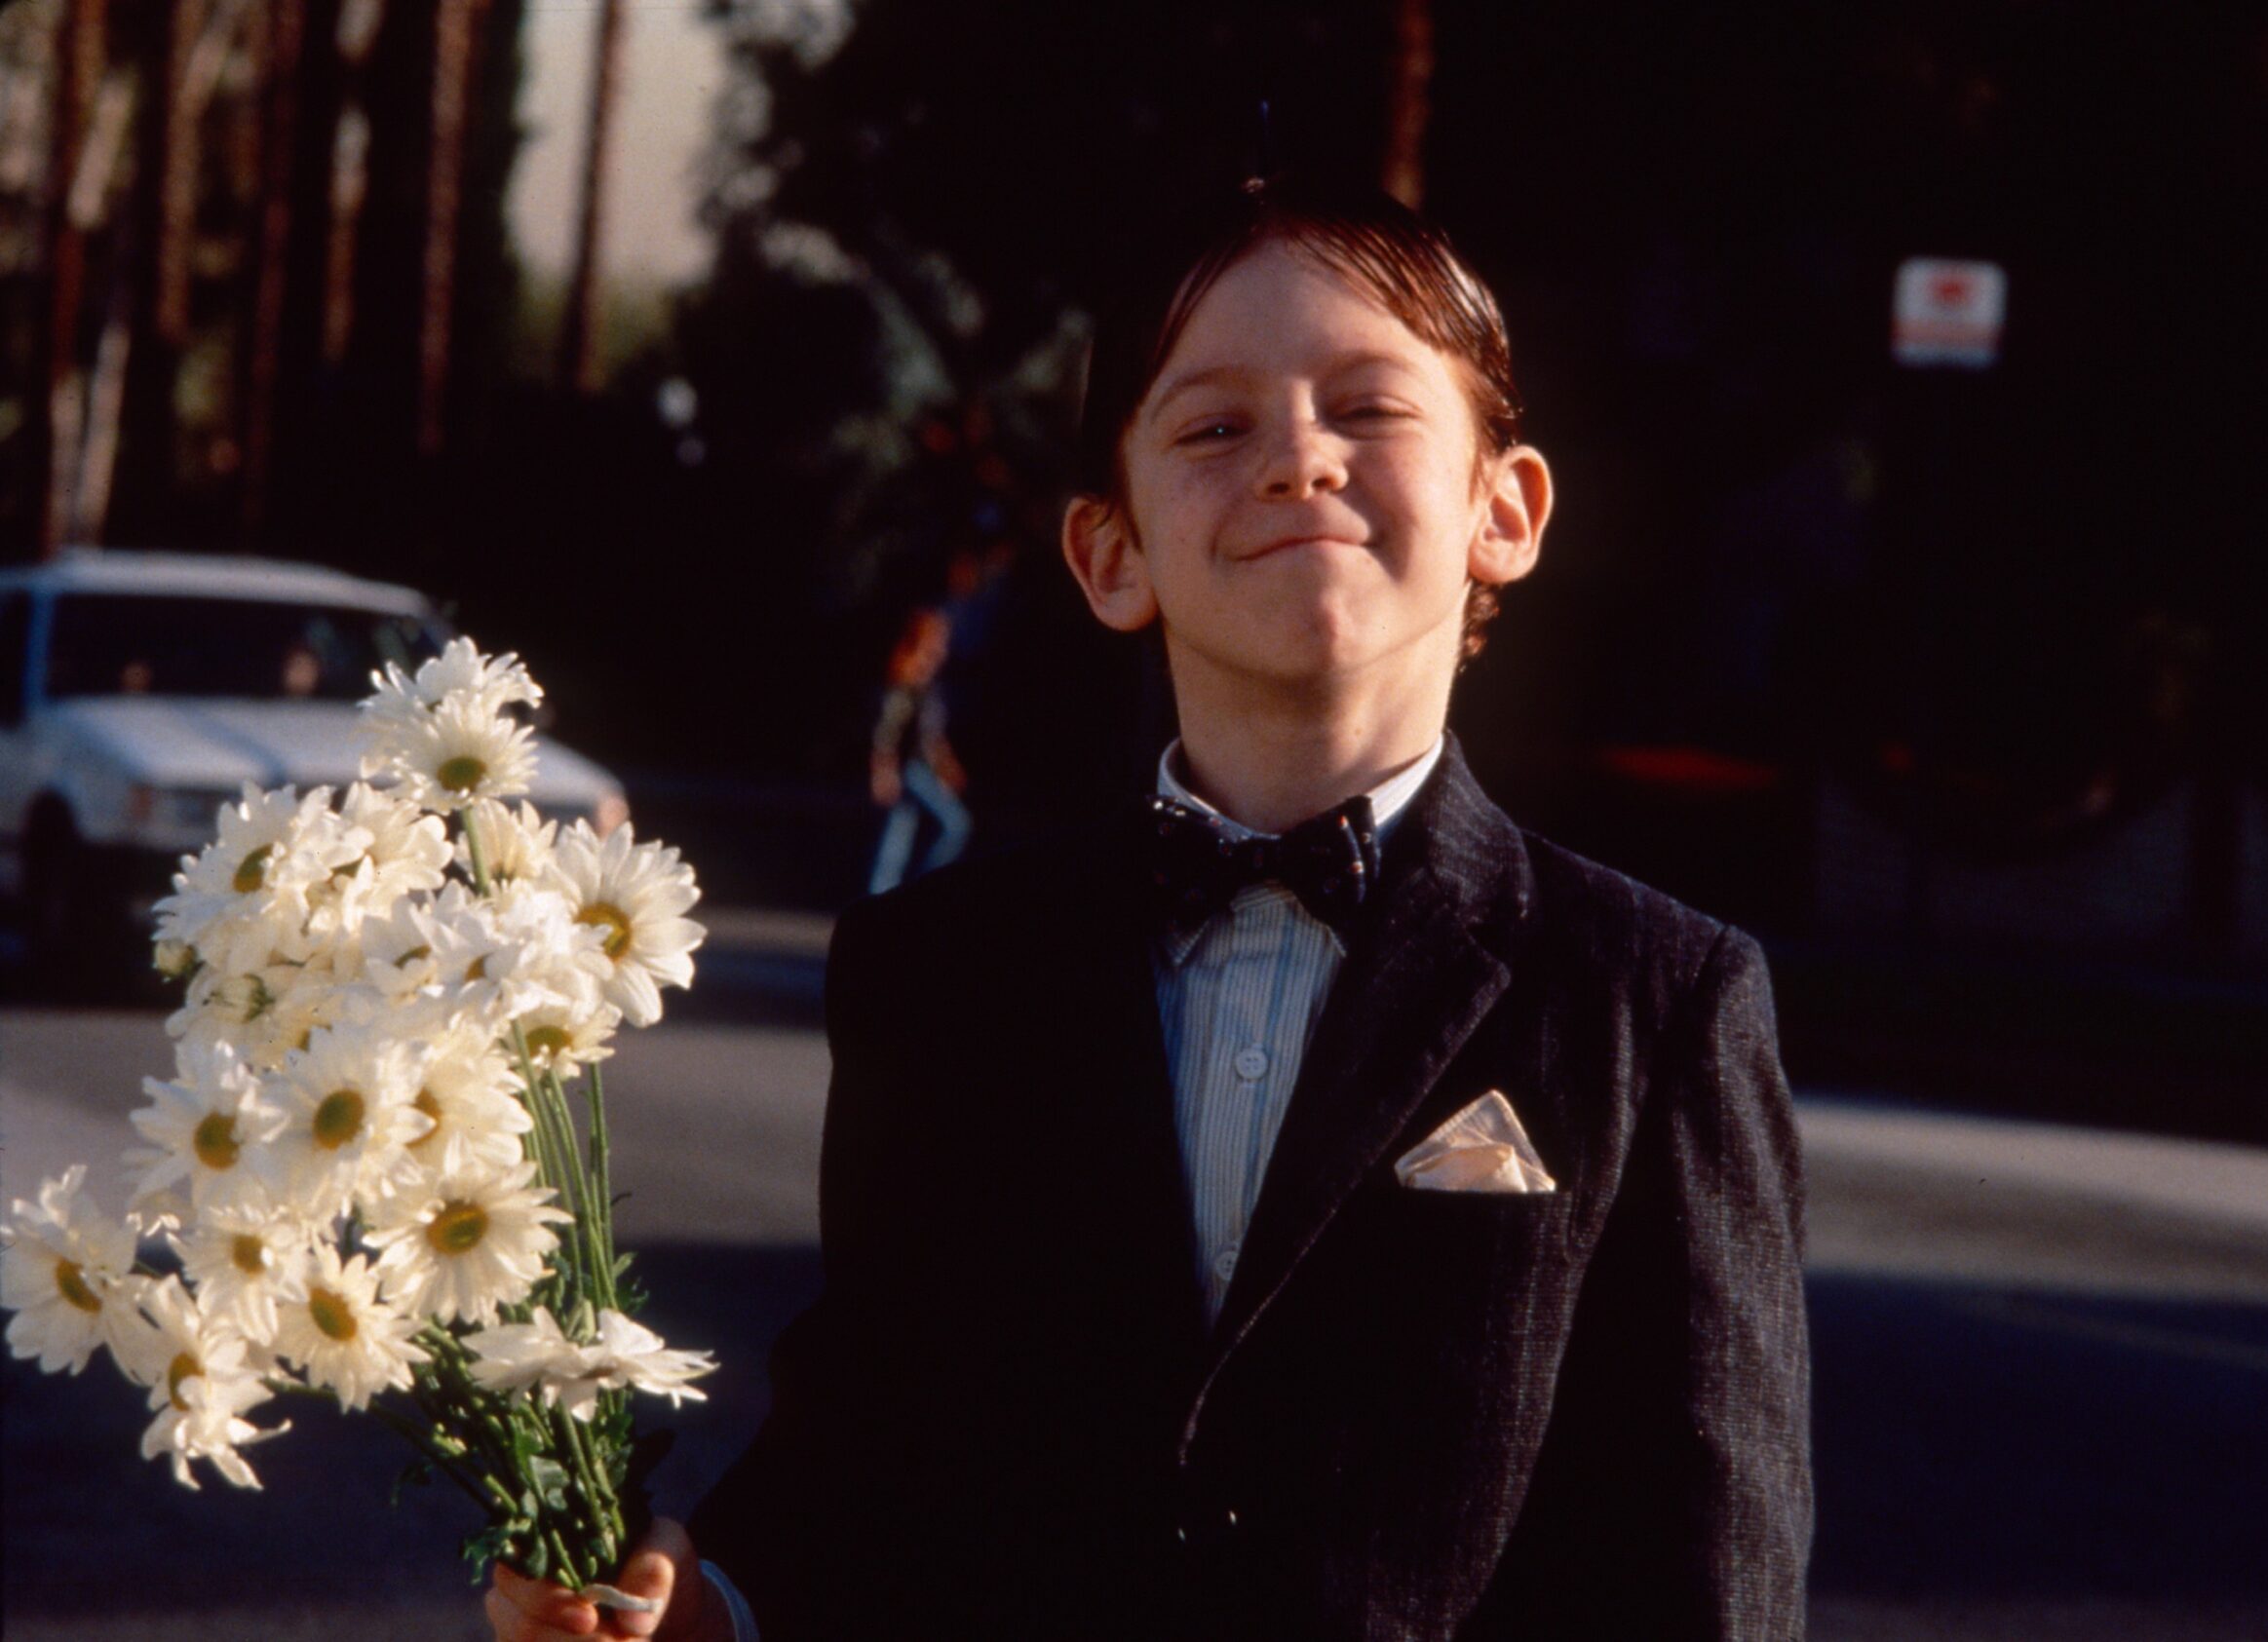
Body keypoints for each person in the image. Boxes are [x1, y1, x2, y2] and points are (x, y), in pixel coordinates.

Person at [486, 176, 1810, 1642]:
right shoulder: (940, 975)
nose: (1298, 458)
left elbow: (1705, 1583)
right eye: (1213, 427)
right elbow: (864, 1466)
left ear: (1506, 509)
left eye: (1370, 409)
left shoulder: (1656, 998)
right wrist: (701, 1604)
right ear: (1111, 555)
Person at [865, 606, 973, 895]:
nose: (943, 646)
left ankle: (883, 897)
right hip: (911, 770)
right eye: (938, 638)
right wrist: (882, 771)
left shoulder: (929, 682)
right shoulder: (907, 677)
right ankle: (926, 888)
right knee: (957, 824)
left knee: (896, 840)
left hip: (922, 767)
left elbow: (934, 736)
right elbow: (887, 730)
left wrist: (947, 766)